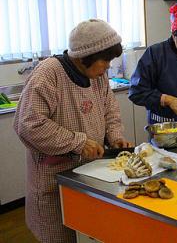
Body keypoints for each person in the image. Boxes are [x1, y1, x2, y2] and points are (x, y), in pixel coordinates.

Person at [14, 19, 133, 243]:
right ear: (83, 57)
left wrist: (115, 137)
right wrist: (78, 142)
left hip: (89, 172)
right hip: (54, 177)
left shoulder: (98, 76)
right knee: (61, 235)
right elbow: (29, 124)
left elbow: (110, 110)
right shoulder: (48, 74)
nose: (108, 66)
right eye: (105, 60)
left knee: (88, 233)